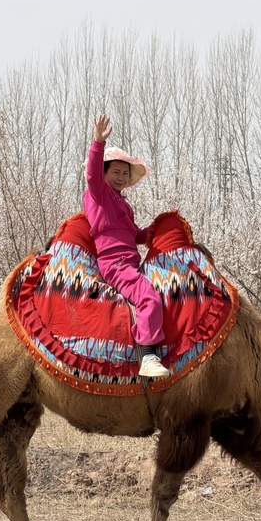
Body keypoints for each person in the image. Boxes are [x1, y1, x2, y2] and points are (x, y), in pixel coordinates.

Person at [83, 114, 170, 378]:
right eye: (115, 172)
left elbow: (134, 235)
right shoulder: (98, 194)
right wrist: (98, 142)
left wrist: (159, 230)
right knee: (149, 298)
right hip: (115, 263)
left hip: (130, 261)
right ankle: (148, 356)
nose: (121, 177)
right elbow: (91, 174)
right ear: (104, 173)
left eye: (125, 173)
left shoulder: (123, 204)